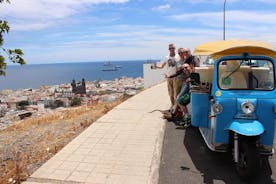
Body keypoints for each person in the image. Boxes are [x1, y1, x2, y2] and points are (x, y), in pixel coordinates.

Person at [154, 43, 178, 108]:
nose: (171, 49)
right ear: (168, 49)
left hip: (176, 77)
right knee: (171, 93)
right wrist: (156, 66)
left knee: (176, 93)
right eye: (170, 48)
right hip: (169, 77)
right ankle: (173, 106)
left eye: (172, 48)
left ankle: (176, 107)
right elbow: (162, 66)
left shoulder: (177, 56)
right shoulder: (166, 57)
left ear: (174, 48)